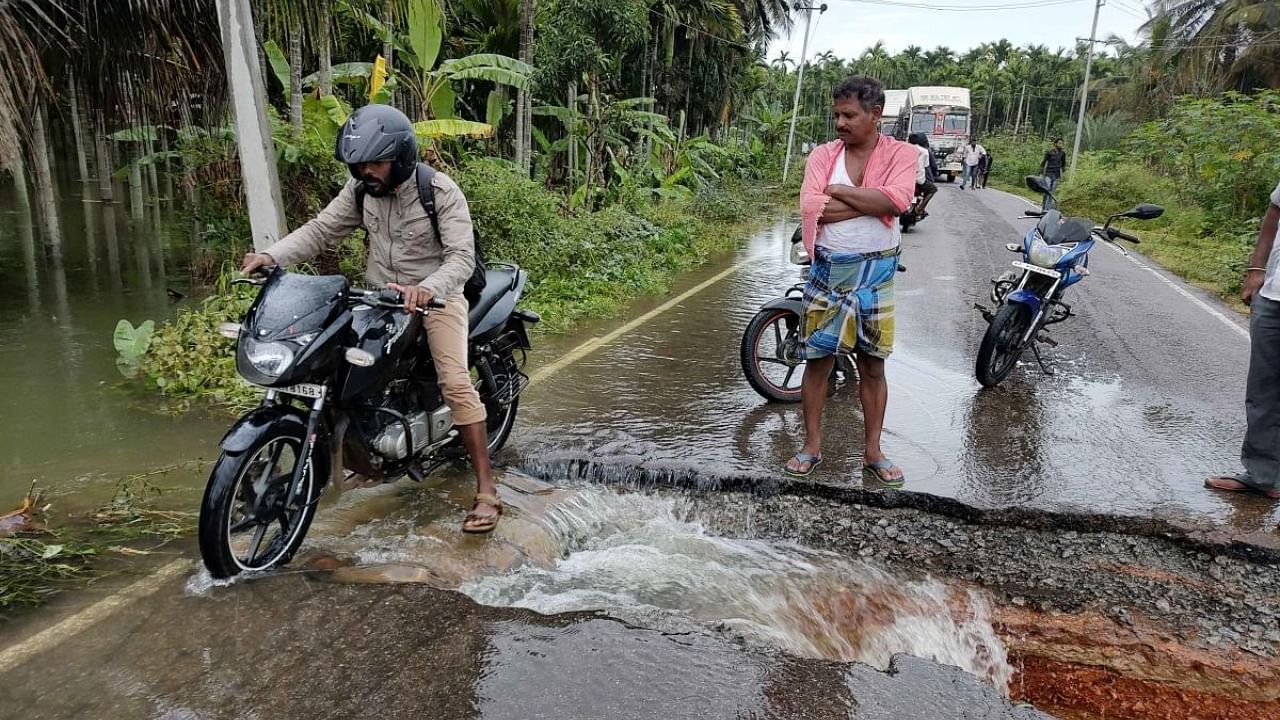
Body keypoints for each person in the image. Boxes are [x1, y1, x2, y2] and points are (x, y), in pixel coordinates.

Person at [239, 104, 503, 534]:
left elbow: (460, 257)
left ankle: (487, 491)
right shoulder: (360, 190)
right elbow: (321, 230)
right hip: (379, 297)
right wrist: (272, 255)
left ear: (400, 157)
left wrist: (427, 288)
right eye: (359, 163)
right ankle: (361, 450)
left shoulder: (439, 189)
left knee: (454, 381)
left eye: (375, 162)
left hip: (437, 298)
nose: (366, 171)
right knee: (334, 368)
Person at [784, 76, 917, 486]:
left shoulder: (903, 153)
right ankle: (811, 446)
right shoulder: (823, 155)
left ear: (875, 115)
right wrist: (868, 203)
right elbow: (811, 205)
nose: (840, 122)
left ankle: (873, 452)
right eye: (836, 114)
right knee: (818, 361)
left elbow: (898, 201)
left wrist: (839, 191)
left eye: (849, 115)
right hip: (828, 269)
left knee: (873, 366)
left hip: (877, 272)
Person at [1206, 181, 1280, 502]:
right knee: (1262, 391)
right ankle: (1263, 477)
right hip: (1275, 296)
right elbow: (1274, 215)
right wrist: (1255, 270)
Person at [907, 132, 937, 218]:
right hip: (919, 179)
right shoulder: (925, 151)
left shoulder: (904, 148)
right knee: (933, 189)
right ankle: (920, 208)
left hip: (905, 178)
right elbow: (926, 167)